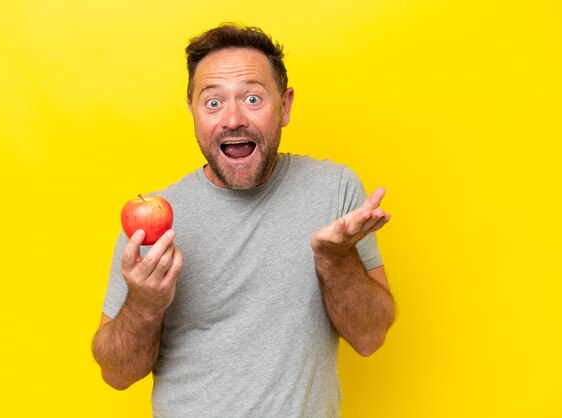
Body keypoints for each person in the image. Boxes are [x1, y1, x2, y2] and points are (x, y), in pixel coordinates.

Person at [92, 23, 395, 417]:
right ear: (192, 111)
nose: (232, 119)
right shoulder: (156, 221)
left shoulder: (334, 190)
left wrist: (335, 260)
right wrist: (145, 304)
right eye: (213, 103)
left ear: (284, 106)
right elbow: (116, 373)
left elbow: (371, 337)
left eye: (252, 98)